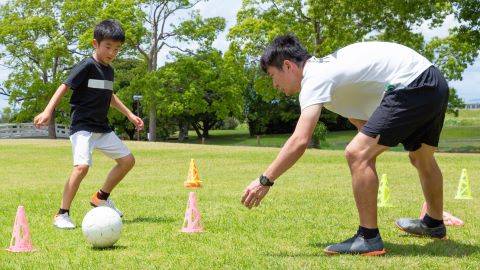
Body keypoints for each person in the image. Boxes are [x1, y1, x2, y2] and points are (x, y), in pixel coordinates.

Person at [241, 34, 449, 256]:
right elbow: (363, 123)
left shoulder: (315, 77)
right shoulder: (332, 74)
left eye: (273, 76)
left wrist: (265, 180)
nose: (275, 85)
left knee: (356, 153)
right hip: (433, 82)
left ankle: (368, 238)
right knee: (420, 157)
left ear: (288, 65)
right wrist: (367, 156)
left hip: (412, 84)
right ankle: (434, 223)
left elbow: (300, 140)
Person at [34, 19, 144, 229]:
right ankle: (62, 214)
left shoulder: (109, 70)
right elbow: (64, 86)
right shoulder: (86, 66)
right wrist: (48, 110)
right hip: (82, 127)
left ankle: (101, 197)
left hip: (101, 128)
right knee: (82, 167)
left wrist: (130, 114)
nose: (112, 52)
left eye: (117, 49)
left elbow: (109, 95)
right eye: (108, 47)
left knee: (127, 161)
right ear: (96, 44)